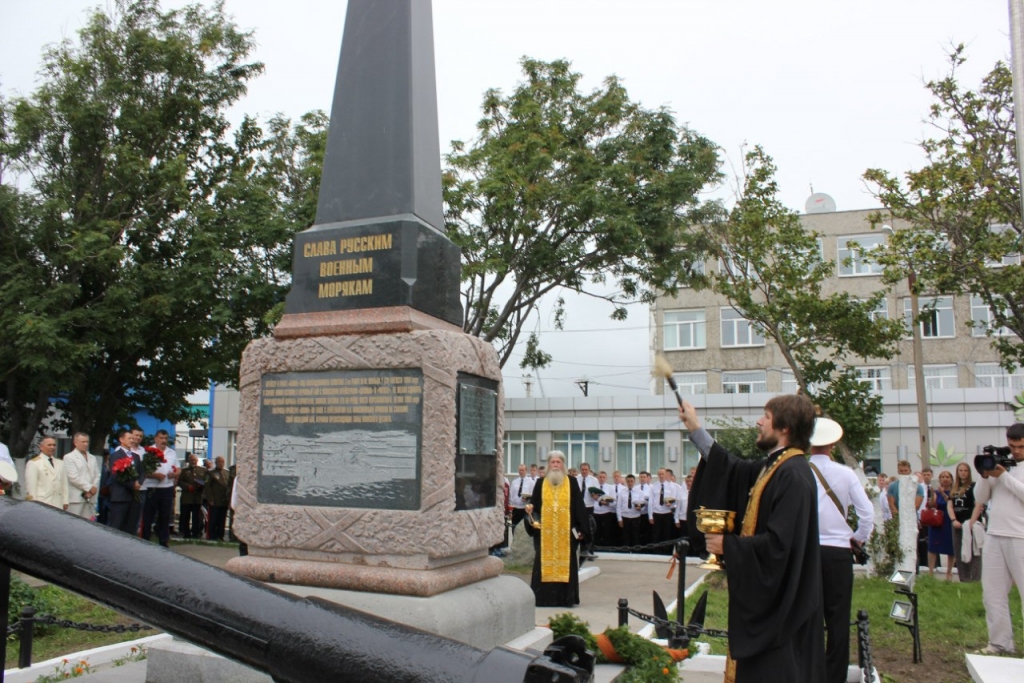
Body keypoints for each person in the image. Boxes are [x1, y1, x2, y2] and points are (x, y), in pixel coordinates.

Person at [680, 395, 825, 682]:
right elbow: (729, 467)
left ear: (784, 426)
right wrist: (696, 428)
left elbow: (780, 546)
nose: (759, 422)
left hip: (783, 613)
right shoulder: (775, 466)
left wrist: (728, 546)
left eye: (766, 416)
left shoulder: (793, 475)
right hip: (774, 608)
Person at [807, 417, 874, 683]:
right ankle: (833, 677)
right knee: (838, 617)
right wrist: (856, 539)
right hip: (838, 553)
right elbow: (867, 514)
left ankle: (809, 671)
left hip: (809, 551)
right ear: (833, 444)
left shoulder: (800, 471)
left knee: (808, 614)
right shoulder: (846, 474)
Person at [968, 423, 1024, 655]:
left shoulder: (1006, 471)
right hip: (995, 535)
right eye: (1012, 446)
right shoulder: (1000, 463)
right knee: (992, 593)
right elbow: (980, 498)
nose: (1016, 451)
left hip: (1021, 537)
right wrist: (985, 476)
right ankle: (1000, 644)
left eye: (1020, 446)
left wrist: (1003, 476)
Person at [523, 451, 588, 607]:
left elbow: (579, 507)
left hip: (566, 534)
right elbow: (535, 505)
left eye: (558, 462)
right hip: (546, 535)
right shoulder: (540, 483)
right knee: (544, 565)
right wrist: (530, 511)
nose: (556, 465)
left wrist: (581, 529)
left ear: (563, 464)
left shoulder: (572, 482)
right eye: (553, 462)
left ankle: (566, 598)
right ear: (548, 464)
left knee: (567, 564)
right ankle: (543, 598)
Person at [141, 429, 180, 547]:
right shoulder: (148, 451)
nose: (163, 441)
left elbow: (178, 468)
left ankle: (163, 541)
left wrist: (175, 474)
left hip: (167, 487)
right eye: (161, 438)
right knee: (148, 516)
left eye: (165, 439)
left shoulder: (171, 452)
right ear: (155, 439)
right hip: (151, 487)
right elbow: (143, 470)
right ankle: (145, 540)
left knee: (165, 516)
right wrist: (155, 475)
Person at [947, 462, 981, 582]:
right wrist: (953, 520)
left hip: (972, 524)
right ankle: (964, 578)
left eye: (965, 470)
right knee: (959, 550)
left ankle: (976, 579)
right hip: (958, 524)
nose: (963, 473)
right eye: (960, 470)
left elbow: (978, 505)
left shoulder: (974, 486)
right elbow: (950, 505)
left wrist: (971, 522)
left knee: (974, 552)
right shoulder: (954, 488)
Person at [106, 429, 145, 534]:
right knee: (116, 525)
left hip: (134, 497)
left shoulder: (136, 456)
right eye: (129, 438)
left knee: (131, 526)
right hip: (120, 496)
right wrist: (132, 485)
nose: (132, 440)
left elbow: (142, 472)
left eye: (133, 438)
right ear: (121, 440)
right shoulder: (115, 455)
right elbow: (116, 475)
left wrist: (139, 483)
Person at [24, 436, 69, 510]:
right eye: (49, 445)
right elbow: (31, 487)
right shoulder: (34, 463)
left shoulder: (60, 463)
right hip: (42, 503)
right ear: (41, 447)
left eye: (54, 445)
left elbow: (64, 484)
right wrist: (32, 505)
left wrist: (65, 501)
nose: (52, 447)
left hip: (58, 503)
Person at [63, 432, 100, 519]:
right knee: (73, 523)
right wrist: (89, 487)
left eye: (87, 442)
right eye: (83, 442)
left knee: (88, 525)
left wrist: (92, 489)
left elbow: (97, 475)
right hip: (76, 498)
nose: (85, 444)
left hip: (90, 498)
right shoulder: (69, 457)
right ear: (75, 442)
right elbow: (73, 477)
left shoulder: (92, 458)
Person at [926, 470, 955, 581]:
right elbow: (931, 505)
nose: (945, 479)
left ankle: (949, 572)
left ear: (951, 479)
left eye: (947, 477)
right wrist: (933, 494)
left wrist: (943, 493)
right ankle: (931, 572)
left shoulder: (954, 491)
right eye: (942, 477)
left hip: (949, 520)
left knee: (950, 548)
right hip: (937, 521)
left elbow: (951, 503)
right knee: (933, 547)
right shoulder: (935, 491)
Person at [177, 453, 206, 538]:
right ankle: (186, 532)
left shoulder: (202, 470)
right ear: (189, 461)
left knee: (197, 517)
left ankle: (196, 533)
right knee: (185, 516)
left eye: (194, 460)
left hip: (197, 497)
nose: (193, 461)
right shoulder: (184, 470)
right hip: (187, 497)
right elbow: (179, 481)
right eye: (191, 460)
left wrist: (201, 486)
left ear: (197, 461)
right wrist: (187, 487)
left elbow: (206, 482)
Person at [616, 474, 646, 549]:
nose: (630, 483)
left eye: (631, 481)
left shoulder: (639, 492)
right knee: (625, 537)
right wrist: (619, 519)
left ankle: (635, 552)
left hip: (635, 517)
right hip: (625, 517)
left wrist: (640, 508)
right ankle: (626, 553)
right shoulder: (622, 492)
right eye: (628, 481)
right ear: (626, 482)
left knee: (635, 536)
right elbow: (618, 506)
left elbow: (643, 505)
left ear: (634, 481)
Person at [206, 456, 231, 541]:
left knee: (222, 519)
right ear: (216, 463)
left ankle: (220, 535)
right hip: (215, 500)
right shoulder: (211, 473)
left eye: (222, 462)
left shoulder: (227, 473)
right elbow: (207, 487)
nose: (221, 464)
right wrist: (210, 499)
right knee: (213, 519)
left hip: (223, 500)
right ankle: (212, 535)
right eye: (219, 462)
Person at [508, 463, 535, 536]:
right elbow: (511, 495)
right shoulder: (514, 482)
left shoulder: (531, 482)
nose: (521, 471)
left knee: (524, 529)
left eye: (523, 470)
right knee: (515, 527)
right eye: (520, 470)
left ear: (526, 471)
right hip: (516, 509)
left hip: (525, 509)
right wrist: (510, 510)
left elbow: (533, 495)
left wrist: (527, 499)